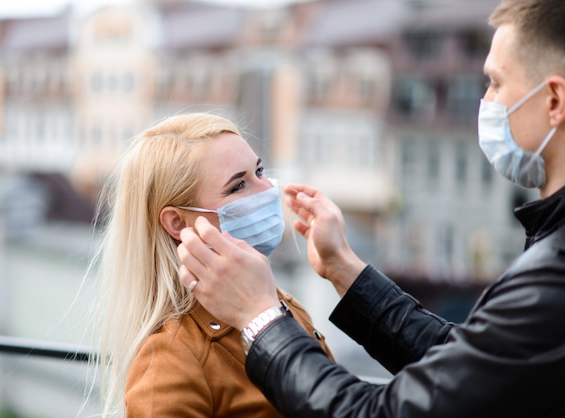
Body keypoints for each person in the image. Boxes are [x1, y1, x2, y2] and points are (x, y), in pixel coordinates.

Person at [176, 0, 565, 416]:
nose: (485, 101)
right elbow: (469, 371)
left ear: (554, 100)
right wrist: (345, 269)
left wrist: (260, 317)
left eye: (495, 83)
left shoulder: (550, 279)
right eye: (238, 184)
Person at [90, 112, 334, 417]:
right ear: (177, 222)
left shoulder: (282, 304)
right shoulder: (171, 357)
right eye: (238, 186)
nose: (267, 190)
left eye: (260, 171)